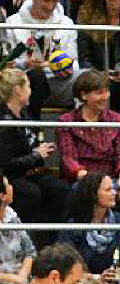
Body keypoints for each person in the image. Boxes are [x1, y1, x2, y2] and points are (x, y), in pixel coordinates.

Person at [3, 0, 82, 119]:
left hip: (57, 82)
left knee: (87, 77)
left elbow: (75, 63)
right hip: (24, 82)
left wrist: (65, 67)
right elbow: (6, 65)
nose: (50, 6)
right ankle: (32, 130)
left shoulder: (66, 24)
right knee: (36, 76)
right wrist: (24, 64)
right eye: (45, 0)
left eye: (55, 0)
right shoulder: (12, 23)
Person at [0, 68, 69, 227]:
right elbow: (6, 163)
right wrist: (36, 155)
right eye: (29, 86)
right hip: (9, 176)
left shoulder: (23, 115)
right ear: (18, 90)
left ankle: (55, 240)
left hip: (26, 172)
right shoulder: (4, 121)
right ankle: (23, 237)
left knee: (59, 189)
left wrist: (39, 152)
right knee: (31, 193)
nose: (31, 91)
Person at [56, 69, 120, 182]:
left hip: (112, 179)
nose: (105, 97)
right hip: (81, 180)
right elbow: (68, 158)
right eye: (99, 93)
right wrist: (89, 179)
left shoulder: (117, 119)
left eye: (107, 91)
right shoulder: (66, 121)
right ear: (84, 95)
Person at [0, 176, 33, 284]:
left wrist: (22, 277)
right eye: (8, 185)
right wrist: (15, 280)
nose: (12, 188)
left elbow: (30, 252)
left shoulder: (12, 216)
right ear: (2, 196)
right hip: (5, 282)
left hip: (20, 278)